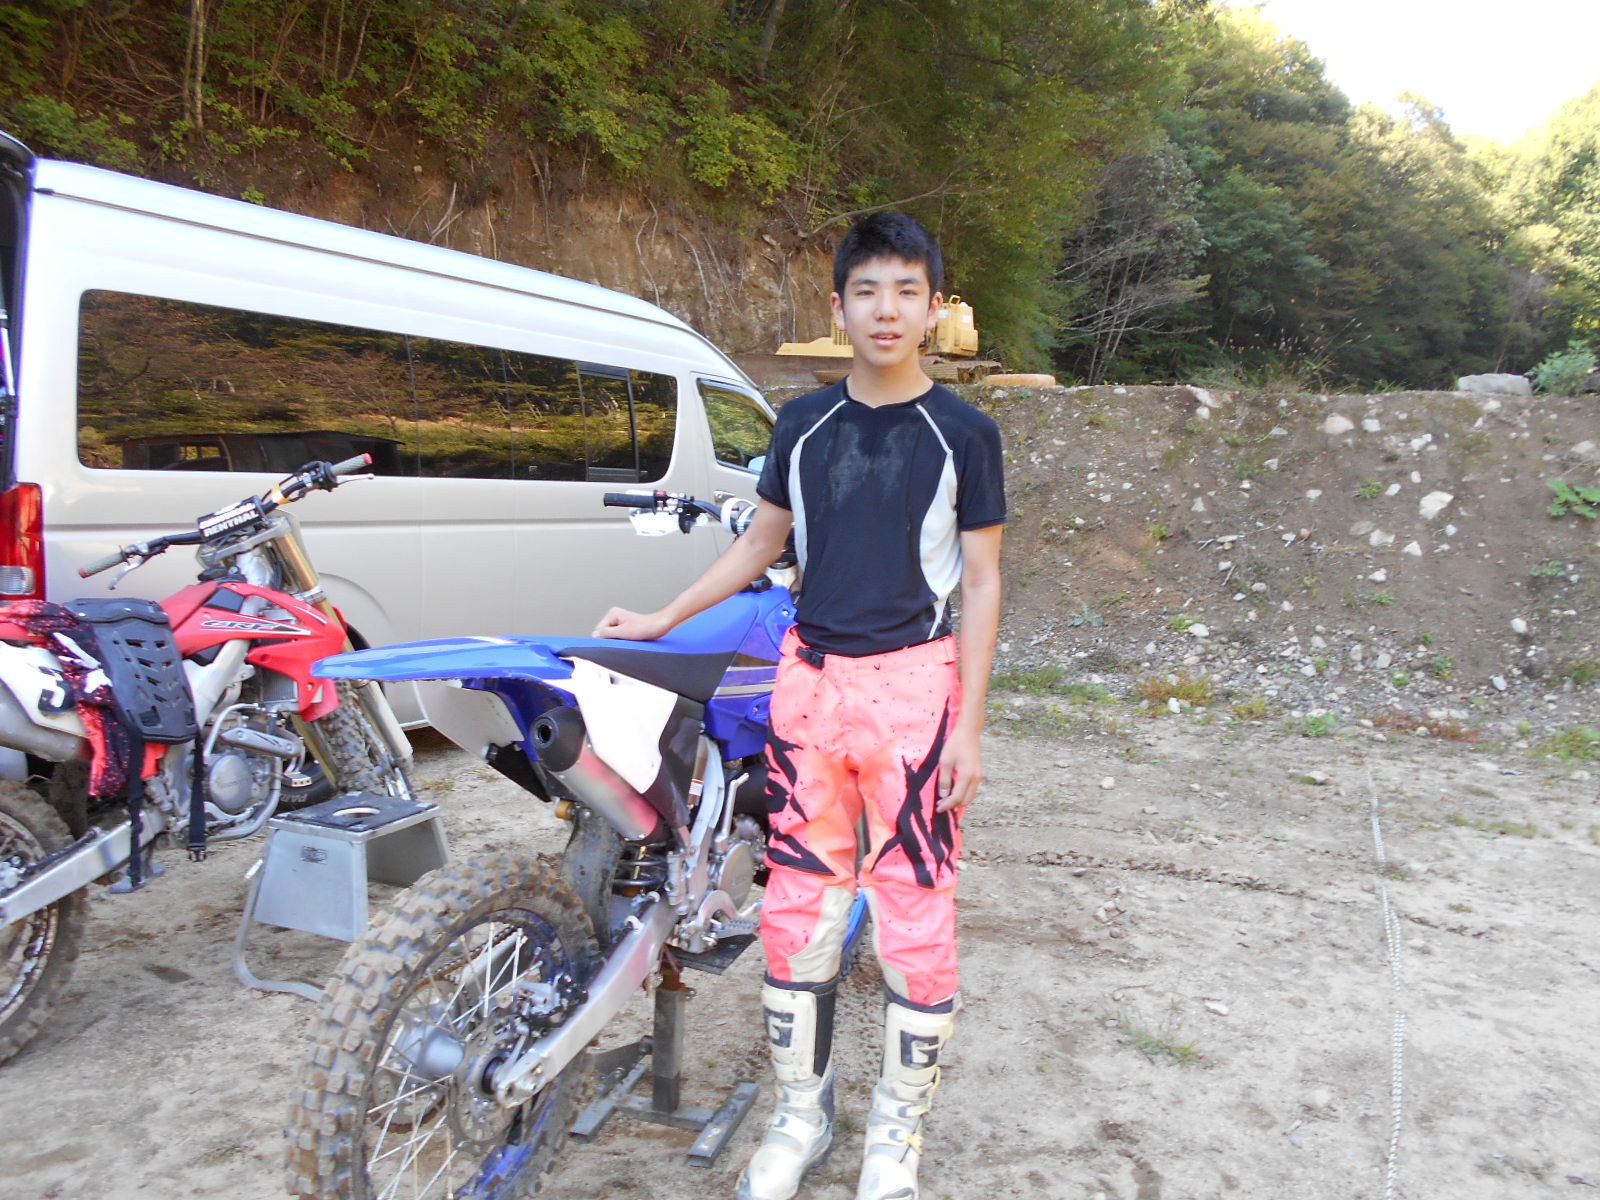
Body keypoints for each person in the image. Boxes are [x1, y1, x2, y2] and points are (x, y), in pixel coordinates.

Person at [593, 210, 1005, 1200]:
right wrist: (661, 617)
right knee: (799, 907)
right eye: (867, 291)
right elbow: (757, 544)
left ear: (933, 309)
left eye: (907, 291)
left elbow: (985, 581)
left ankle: (895, 1136)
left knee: (913, 909)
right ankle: (800, 1116)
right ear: (838, 307)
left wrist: (970, 726)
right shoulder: (802, 423)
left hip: (916, 692)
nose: (886, 310)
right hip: (809, 688)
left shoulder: (965, 433)